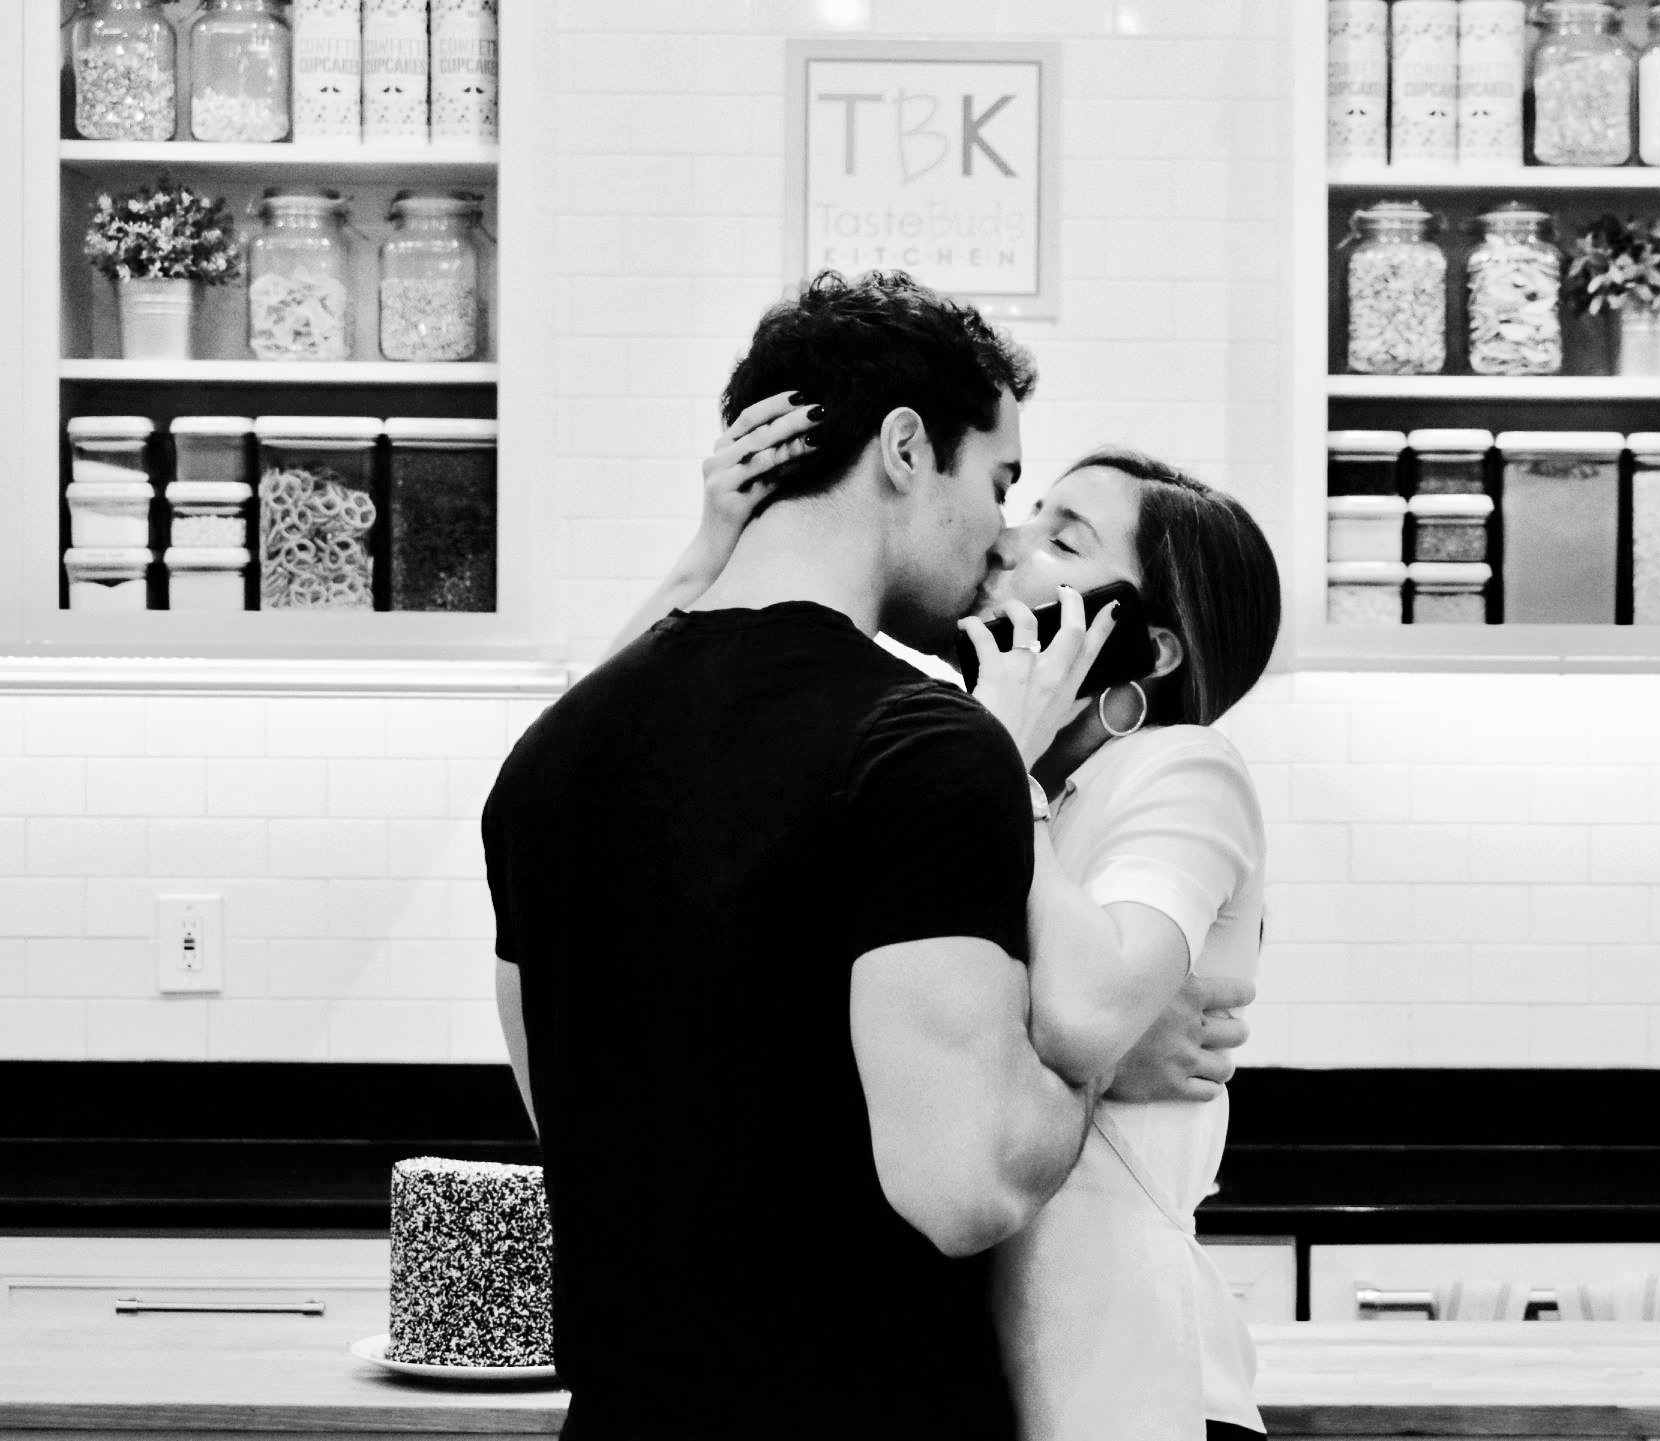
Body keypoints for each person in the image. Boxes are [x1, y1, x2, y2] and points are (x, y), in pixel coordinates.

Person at [482, 269, 1248, 1441]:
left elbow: (585, 1104)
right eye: (1000, 483)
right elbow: (967, 1188)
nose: (1003, 530)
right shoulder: (929, 748)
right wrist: (1099, 1057)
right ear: (904, 449)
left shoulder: (547, 759)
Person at [719, 426, 1282, 1441]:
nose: (1009, 546)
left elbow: (1084, 1013)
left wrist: (1001, 768)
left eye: (1064, 545)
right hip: (990, 1378)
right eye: (1028, 518)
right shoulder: (1001, 769)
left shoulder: (1182, 767)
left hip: (1131, 1379)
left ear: (1147, 646)